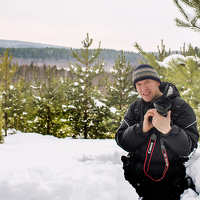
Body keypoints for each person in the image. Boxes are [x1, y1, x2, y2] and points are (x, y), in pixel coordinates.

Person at [115, 64, 199, 200]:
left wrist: (169, 131)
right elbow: (122, 141)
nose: (143, 89)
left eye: (147, 82)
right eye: (139, 85)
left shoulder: (180, 107)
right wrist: (141, 129)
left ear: (157, 83)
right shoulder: (136, 107)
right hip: (134, 179)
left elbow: (188, 148)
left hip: (169, 181)